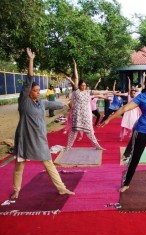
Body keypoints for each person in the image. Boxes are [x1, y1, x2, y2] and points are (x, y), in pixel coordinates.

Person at [10, 48, 74, 200]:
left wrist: (67, 105)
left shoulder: (40, 103)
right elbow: (29, 78)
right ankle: (17, 190)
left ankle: (62, 188)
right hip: (25, 138)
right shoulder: (24, 101)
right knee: (19, 166)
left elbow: (56, 105)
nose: (38, 92)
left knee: (48, 163)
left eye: (39, 90)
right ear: (29, 92)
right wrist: (31, 60)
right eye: (35, 90)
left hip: (39, 138)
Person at [66, 61, 110, 150]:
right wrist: (75, 66)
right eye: (82, 85)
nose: (84, 87)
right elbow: (76, 77)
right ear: (79, 86)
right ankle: (68, 147)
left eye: (85, 85)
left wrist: (108, 91)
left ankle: (97, 146)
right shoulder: (76, 91)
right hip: (77, 114)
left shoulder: (88, 92)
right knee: (73, 131)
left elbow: (99, 92)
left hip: (86, 114)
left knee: (89, 131)